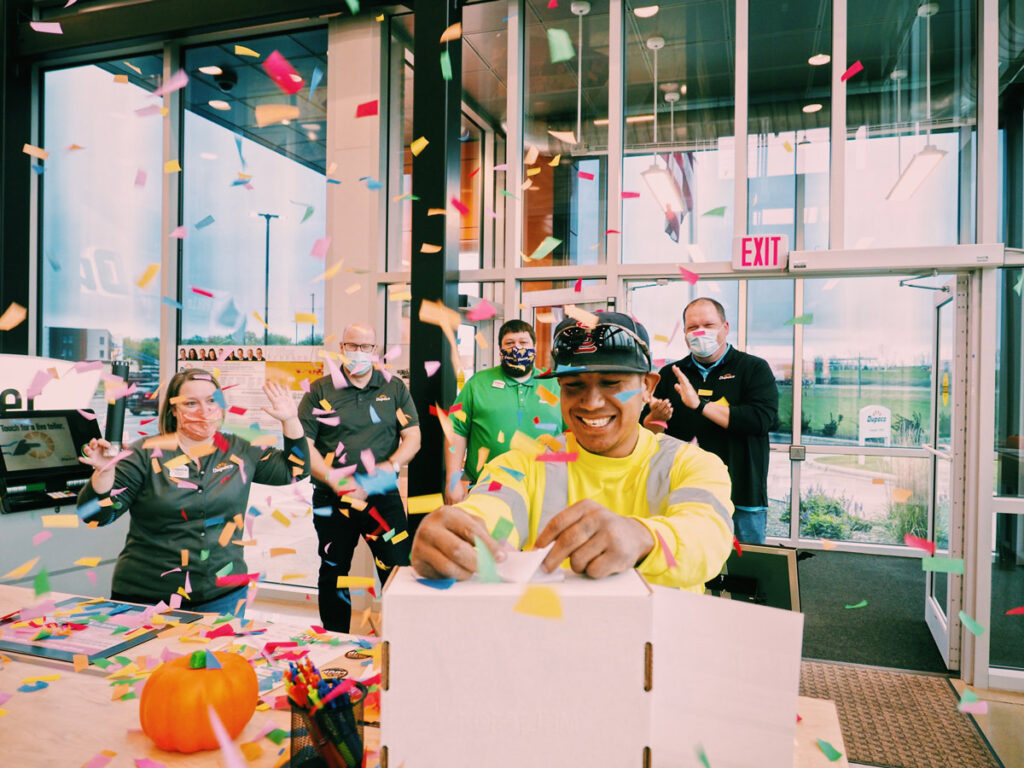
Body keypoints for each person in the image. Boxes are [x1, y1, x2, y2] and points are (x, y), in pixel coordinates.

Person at [412, 312, 734, 591]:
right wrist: (457, 532)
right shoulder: (521, 463)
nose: (591, 403)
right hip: (553, 648)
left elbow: (708, 537)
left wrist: (642, 538)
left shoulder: (693, 465)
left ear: (648, 387)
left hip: (660, 651)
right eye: (574, 386)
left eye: (611, 383)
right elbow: (490, 507)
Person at [76, 369, 309, 616]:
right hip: (148, 601)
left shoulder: (240, 450)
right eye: (190, 403)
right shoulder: (144, 453)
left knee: (216, 657)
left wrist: (290, 419)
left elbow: (294, 469)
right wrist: (103, 473)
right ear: (173, 410)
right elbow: (94, 516)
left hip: (224, 597)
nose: (204, 411)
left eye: (211, 401)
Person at [299, 322, 421, 631]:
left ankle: (402, 638)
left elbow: (413, 438)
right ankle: (334, 641)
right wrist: (336, 479)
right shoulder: (319, 390)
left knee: (397, 570)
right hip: (332, 498)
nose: (359, 353)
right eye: (352, 346)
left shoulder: (393, 388)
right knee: (333, 571)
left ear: (376, 351)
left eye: (366, 347)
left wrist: (383, 472)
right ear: (341, 348)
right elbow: (304, 446)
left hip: (382, 497)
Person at [641, 297, 778, 544]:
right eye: (692, 327)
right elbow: (645, 433)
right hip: (683, 493)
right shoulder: (671, 374)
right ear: (684, 333)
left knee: (745, 573)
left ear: (725, 328)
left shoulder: (753, 368)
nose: (700, 332)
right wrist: (655, 418)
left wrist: (700, 406)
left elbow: (760, 420)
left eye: (709, 324)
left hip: (742, 495)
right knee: (688, 565)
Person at [443, 320, 565, 504]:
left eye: (523, 343)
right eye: (509, 343)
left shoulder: (555, 384)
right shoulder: (478, 384)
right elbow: (456, 431)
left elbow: (572, 436)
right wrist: (453, 481)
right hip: (488, 489)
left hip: (547, 490)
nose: (516, 348)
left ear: (535, 347)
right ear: (500, 349)